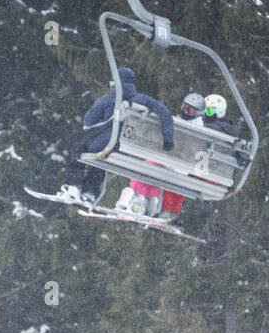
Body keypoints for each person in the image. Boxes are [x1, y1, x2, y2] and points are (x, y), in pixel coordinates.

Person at [58, 66, 175, 206]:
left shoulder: (108, 99)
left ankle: (74, 186)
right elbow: (165, 114)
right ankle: (89, 193)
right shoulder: (144, 100)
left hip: (105, 145)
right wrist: (168, 139)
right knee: (101, 157)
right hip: (126, 150)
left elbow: (89, 121)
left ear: (116, 82)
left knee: (81, 148)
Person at [117, 92, 204, 222]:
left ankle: (136, 200)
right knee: (153, 170)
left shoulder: (194, 127)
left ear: (197, 113)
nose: (186, 112)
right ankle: (149, 204)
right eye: (185, 107)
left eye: (190, 110)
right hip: (177, 165)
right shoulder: (195, 125)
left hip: (174, 164)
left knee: (145, 169)